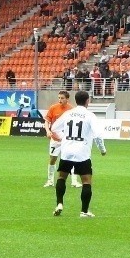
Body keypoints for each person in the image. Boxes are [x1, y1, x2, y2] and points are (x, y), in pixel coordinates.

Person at [52, 90, 107, 218]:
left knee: (61, 177)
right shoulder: (90, 116)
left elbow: (54, 128)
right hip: (82, 152)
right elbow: (98, 135)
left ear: (75, 101)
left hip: (66, 151)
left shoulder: (68, 113)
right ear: (87, 101)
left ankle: (59, 203)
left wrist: (64, 138)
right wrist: (102, 150)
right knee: (86, 181)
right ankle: (84, 211)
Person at [43, 90, 80, 188]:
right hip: (55, 139)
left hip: (67, 140)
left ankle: (74, 181)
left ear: (67, 99)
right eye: (59, 98)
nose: (60, 100)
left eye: (62, 98)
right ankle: (50, 181)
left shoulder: (71, 110)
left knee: (72, 159)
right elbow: (47, 121)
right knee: (52, 159)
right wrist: (47, 131)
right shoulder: (53, 108)